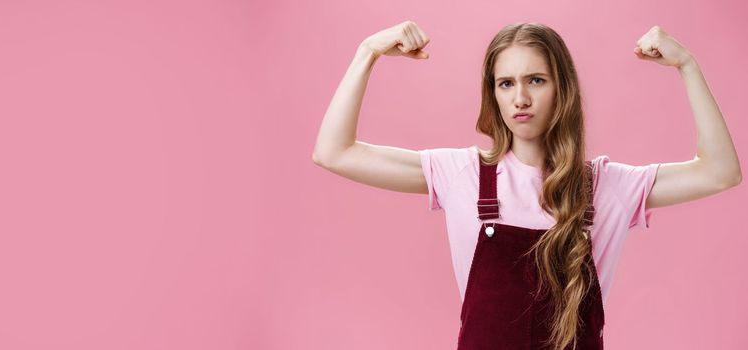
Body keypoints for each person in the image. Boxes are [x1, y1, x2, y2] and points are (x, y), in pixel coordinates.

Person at [311, 21, 741, 350]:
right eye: (506, 83)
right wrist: (367, 52)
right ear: (493, 95)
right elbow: (335, 152)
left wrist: (687, 66)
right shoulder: (460, 174)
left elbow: (720, 171)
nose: (520, 98)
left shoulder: (607, 186)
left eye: (536, 80)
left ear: (562, 88)